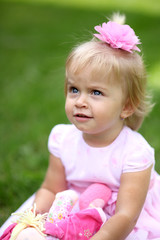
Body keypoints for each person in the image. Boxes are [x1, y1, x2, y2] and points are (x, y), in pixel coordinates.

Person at [1, 13, 160, 240]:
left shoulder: (135, 153)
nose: (80, 101)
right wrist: (32, 221)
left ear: (126, 106)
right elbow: (50, 188)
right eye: (74, 89)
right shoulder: (62, 138)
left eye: (96, 92)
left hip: (118, 225)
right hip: (72, 207)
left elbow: (126, 215)